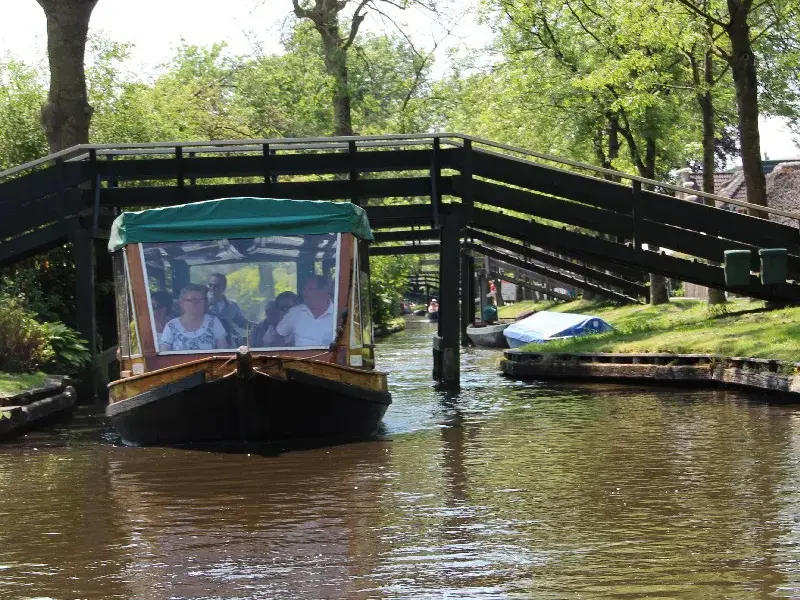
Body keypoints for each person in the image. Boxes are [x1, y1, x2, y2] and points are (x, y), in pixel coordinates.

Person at [160, 284, 228, 351]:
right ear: (182, 303)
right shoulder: (171, 326)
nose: (198, 303)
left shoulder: (214, 322)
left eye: (201, 300)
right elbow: (164, 355)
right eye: (193, 300)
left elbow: (224, 352)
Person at [275, 275, 335, 347]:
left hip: (327, 357)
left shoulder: (338, 313)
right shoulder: (295, 312)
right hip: (299, 358)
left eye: (309, 289)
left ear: (324, 291)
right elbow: (278, 337)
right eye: (304, 289)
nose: (304, 293)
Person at [206, 272, 250, 343]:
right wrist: (207, 304)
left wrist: (259, 326)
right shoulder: (201, 305)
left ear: (223, 287)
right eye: (210, 285)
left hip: (229, 343)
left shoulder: (232, 305)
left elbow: (242, 323)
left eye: (215, 286)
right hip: (209, 343)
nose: (212, 288)